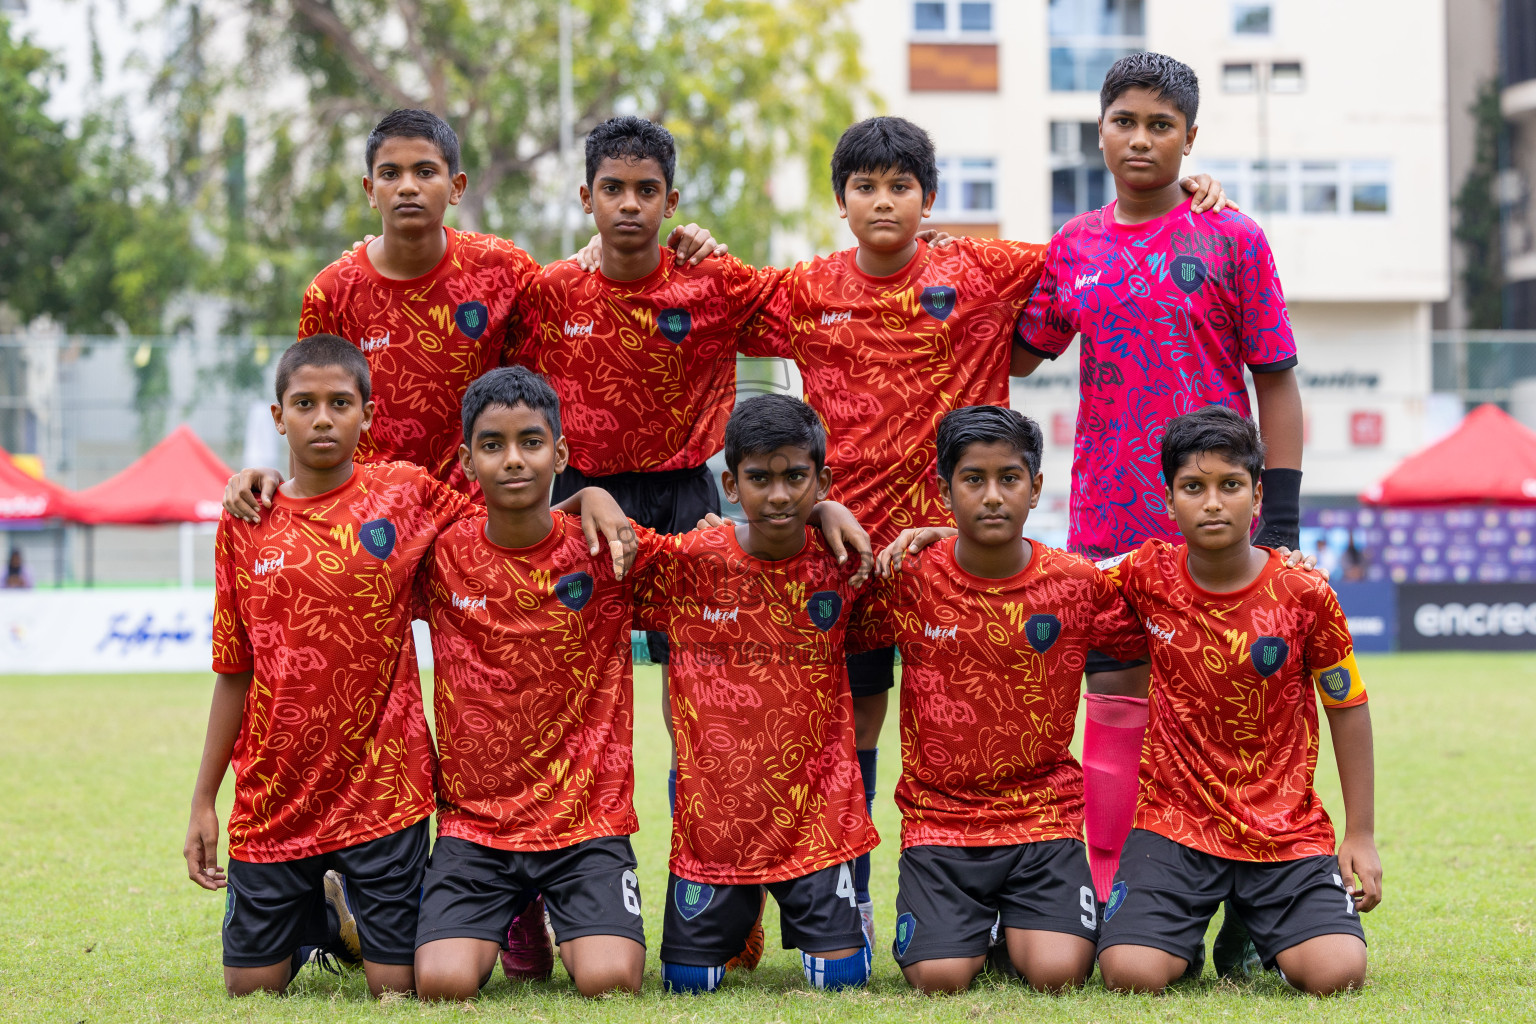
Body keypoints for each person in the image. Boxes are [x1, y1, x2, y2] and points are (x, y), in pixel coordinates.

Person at [741, 115, 1231, 943]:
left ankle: (1008, 895)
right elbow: (707, 300)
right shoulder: (805, 288)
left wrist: (1176, 201)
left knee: (983, 721)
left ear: (928, 199)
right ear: (840, 202)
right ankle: (850, 899)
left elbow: (1095, 250)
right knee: (850, 726)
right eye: (865, 186)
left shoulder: (981, 268)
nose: (884, 200)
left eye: (901, 185)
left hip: (965, 561)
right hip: (849, 556)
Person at [186, 336, 627, 997]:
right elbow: (235, 667)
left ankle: (363, 914)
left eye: (340, 403)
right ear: (278, 417)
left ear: (368, 412)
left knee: (399, 986)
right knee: (250, 990)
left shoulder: (405, 494)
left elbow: (508, 509)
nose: (323, 418)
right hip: (274, 796)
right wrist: (202, 798)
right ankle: (328, 920)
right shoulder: (247, 518)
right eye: (305, 404)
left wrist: (587, 498)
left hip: (383, 794)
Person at [1011, 51, 1304, 974]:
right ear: (1098, 130)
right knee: (1117, 706)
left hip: (1222, 529)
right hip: (1106, 526)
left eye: (1161, 125)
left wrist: (1282, 521)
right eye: (1125, 121)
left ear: (1189, 137)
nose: (1141, 140)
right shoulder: (1074, 246)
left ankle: (1257, 911)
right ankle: (1113, 895)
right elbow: (1020, 354)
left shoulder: (1232, 239)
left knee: (1242, 714)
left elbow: (1277, 381)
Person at [846, 406, 1147, 994]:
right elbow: (822, 597)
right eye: (973, 479)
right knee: (937, 979)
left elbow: (1167, 611)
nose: (991, 496)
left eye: (1009, 478)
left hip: (1043, 817)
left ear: (1036, 488)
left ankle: (1017, 923)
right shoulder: (907, 577)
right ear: (944, 490)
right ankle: (976, 929)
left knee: (1059, 974)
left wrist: (1275, 564)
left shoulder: (1075, 583)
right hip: (941, 822)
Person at [1094, 405, 1379, 996]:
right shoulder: (1145, 574)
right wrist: (951, 536)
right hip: (1175, 821)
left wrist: (1361, 834)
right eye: (1193, 488)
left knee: (1336, 975)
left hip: (1283, 825)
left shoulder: (1305, 593)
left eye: (1230, 485)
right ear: (1169, 499)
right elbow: (1052, 575)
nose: (1214, 502)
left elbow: (1347, 706)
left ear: (1257, 494)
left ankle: (1249, 929)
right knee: (1131, 974)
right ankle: (1185, 936)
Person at [295, 108, 721, 495]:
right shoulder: (332, 291)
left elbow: (575, 294)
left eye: (425, 172)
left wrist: (608, 240)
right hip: (373, 518)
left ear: (456, 186)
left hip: (480, 518)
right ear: (371, 190)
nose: (408, 187)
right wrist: (297, 497)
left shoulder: (502, 268)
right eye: (391, 174)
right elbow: (305, 411)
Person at [412, 367, 658, 1000]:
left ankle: (548, 906)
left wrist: (819, 510)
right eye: (492, 445)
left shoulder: (609, 550)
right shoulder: (439, 556)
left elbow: (719, 557)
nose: (513, 459)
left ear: (561, 453)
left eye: (531, 441)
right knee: (442, 986)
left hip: (586, 821)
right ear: (467, 461)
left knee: (609, 981)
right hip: (477, 826)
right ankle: (517, 911)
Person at [634, 394, 877, 994]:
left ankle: (850, 917)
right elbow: (555, 545)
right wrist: (586, 495)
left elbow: (952, 566)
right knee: (688, 985)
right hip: (713, 834)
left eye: (796, 477)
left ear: (820, 480)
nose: (778, 495)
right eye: (759, 478)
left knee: (842, 983)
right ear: (730, 485)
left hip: (817, 826)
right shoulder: (689, 560)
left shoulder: (847, 564)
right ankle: (739, 924)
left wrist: (834, 513)